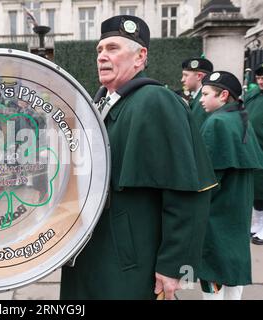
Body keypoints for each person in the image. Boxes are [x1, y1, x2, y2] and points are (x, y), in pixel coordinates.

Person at [60, 15, 217, 300]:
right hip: (92, 252)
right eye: (99, 50)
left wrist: (175, 267)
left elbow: (187, 192)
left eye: (113, 49)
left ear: (140, 56)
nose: (102, 56)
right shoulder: (99, 102)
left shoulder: (156, 101)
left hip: (128, 262)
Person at [198, 71, 263, 300]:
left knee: (212, 271)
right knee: (233, 268)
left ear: (224, 95)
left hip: (216, 213)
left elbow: (204, 178)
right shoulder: (240, 117)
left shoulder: (216, 122)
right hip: (237, 212)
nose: (201, 99)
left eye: (206, 94)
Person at [245, 64, 263, 245]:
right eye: (258, 78)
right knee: (256, 191)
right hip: (253, 148)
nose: (261, 81)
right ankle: (257, 224)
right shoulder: (253, 94)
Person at [181, 57, 214, 128]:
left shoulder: (203, 100)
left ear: (199, 76)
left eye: (186, 75)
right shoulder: (196, 96)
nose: (182, 80)